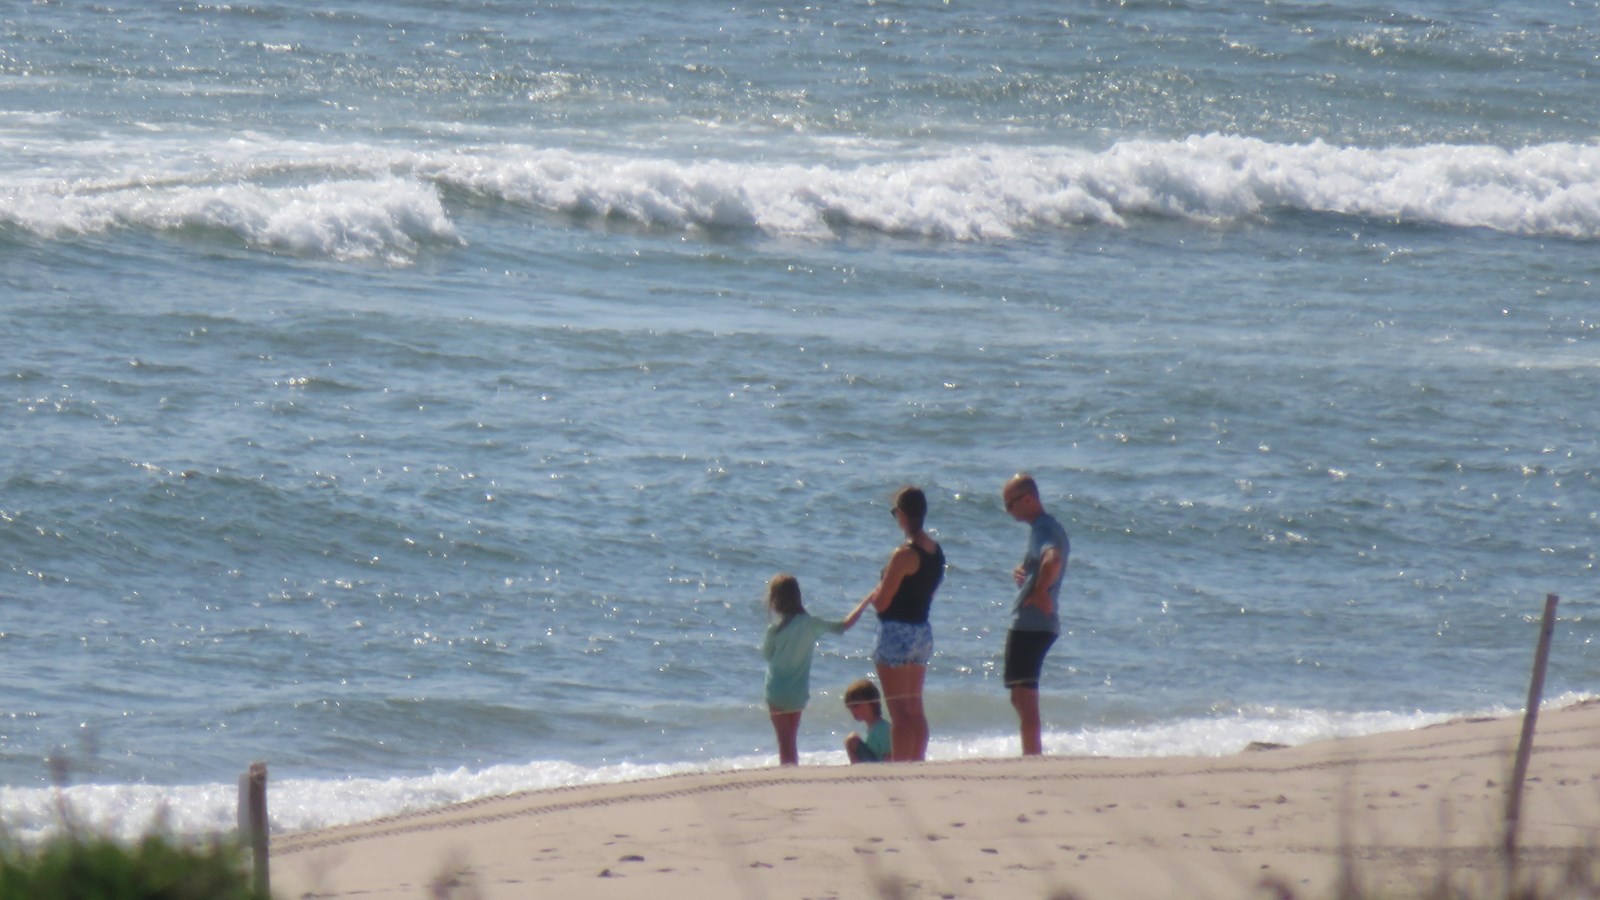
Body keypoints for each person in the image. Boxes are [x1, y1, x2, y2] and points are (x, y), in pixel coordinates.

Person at [862, 485, 944, 762]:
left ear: (903, 515)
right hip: (921, 630)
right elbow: (928, 593)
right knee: (915, 708)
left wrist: (876, 594)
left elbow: (884, 601)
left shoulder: (904, 554)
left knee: (899, 711)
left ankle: (900, 766)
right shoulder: (936, 552)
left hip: (896, 631)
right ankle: (916, 761)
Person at [762, 573, 873, 766]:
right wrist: (866, 601)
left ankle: (787, 777)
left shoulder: (774, 629)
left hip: (776, 690)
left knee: (783, 741)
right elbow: (844, 625)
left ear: (776, 600)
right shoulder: (810, 623)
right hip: (797, 692)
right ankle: (792, 775)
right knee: (791, 740)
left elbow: (767, 655)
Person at [1000, 473, 1069, 756]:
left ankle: (1032, 758)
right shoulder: (1045, 528)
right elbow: (1043, 560)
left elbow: (1053, 558)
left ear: (1028, 499)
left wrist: (1039, 591)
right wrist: (1026, 571)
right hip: (1037, 623)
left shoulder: (1044, 528)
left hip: (1032, 623)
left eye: (1010, 504)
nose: (1009, 511)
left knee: (1024, 698)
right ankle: (1032, 754)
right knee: (1020, 695)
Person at [842, 677, 892, 764]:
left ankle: (858, 772)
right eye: (850, 708)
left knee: (852, 740)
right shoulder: (874, 728)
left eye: (856, 706)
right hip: (876, 764)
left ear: (872, 704)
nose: (853, 711)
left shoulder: (882, 729)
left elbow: (890, 757)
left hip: (881, 769)